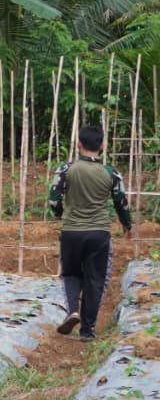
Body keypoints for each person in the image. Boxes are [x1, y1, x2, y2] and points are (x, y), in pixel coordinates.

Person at [49, 123, 133, 341]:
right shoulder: (111, 173)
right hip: (99, 233)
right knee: (95, 279)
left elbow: (54, 200)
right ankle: (88, 330)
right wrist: (127, 225)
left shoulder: (66, 170)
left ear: (78, 144)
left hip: (71, 232)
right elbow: (121, 202)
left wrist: (61, 215)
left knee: (70, 274)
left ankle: (72, 312)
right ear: (102, 146)